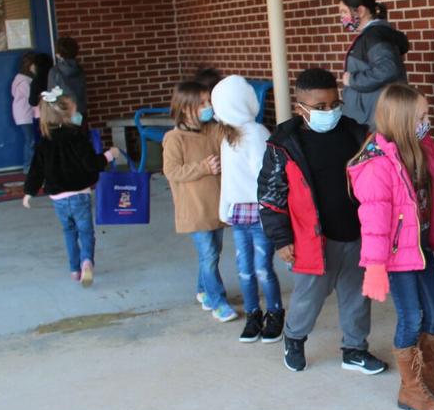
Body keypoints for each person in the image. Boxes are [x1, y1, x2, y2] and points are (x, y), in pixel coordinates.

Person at [258, 68, 387, 375]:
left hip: (357, 234)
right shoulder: (284, 144)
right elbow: (270, 195)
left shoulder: (356, 133)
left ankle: (355, 349)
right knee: (309, 297)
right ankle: (294, 337)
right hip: (313, 238)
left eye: (333, 104)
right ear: (300, 106)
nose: (329, 111)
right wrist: (281, 239)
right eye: (319, 107)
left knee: (358, 296)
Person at [348, 84, 434, 410]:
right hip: (395, 258)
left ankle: (429, 374)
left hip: (420, 248)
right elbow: (374, 221)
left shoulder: (425, 150)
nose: (428, 120)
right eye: (421, 115)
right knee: (412, 317)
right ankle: (410, 389)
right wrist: (375, 265)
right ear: (401, 118)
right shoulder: (376, 165)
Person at [22, 86, 120, 286]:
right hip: (79, 193)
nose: (79, 115)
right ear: (66, 116)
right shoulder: (77, 138)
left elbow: (36, 169)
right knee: (85, 230)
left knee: (68, 231)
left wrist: (29, 192)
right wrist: (110, 155)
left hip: (57, 197)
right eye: (75, 112)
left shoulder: (44, 142)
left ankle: (74, 269)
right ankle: (87, 261)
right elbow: (91, 163)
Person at [212, 75, 284, 343]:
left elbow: (265, 177)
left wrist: (272, 211)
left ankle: (275, 313)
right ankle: (253, 313)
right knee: (244, 267)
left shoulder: (256, 134)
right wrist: (225, 208)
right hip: (239, 214)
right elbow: (228, 179)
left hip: (259, 213)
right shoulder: (227, 137)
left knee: (263, 267)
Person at [162, 81, 235, 323]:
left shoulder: (212, 130)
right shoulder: (175, 138)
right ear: (185, 108)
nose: (208, 107)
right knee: (209, 254)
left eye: (209, 101)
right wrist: (202, 168)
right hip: (194, 208)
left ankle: (203, 290)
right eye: (202, 103)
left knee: (213, 252)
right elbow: (172, 171)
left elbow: (231, 140)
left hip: (216, 204)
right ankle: (218, 301)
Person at [339, 0, 409, 128]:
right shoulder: (374, 34)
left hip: (371, 120)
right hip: (371, 116)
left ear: (361, 11)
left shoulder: (373, 36)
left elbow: (388, 69)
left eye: (344, 12)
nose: (342, 18)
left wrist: (352, 80)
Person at [47, 37, 88, 116]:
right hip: (80, 111)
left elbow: (51, 96)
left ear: (58, 53)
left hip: (62, 113)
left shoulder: (55, 71)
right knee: (79, 128)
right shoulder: (79, 69)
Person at [11, 52, 37, 173]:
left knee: (31, 140)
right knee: (30, 141)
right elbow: (32, 97)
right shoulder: (23, 81)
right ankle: (28, 166)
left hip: (27, 114)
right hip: (25, 115)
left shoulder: (24, 79)